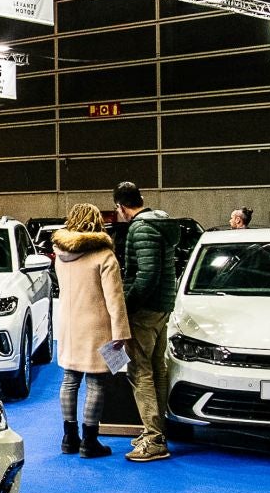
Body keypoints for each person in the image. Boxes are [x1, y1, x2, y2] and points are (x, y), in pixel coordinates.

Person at [50, 203, 130, 458]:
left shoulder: (60, 254)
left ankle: (68, 437)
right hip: (97, 326)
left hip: (69, 324)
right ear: (97, 222)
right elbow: (114, 300)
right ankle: (89, 441)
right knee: (96, 383)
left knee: (69, 380)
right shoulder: (104, 256)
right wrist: (121, 333)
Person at [114, 181, 180, 463]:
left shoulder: (141, 228)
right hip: (163, 306)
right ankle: (157, 430)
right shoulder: (162, 223)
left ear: (121, 207)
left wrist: (126, 305)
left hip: (145, 310)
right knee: (157, 367)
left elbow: (145, 276)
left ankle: (153, 439)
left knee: (140, 371)